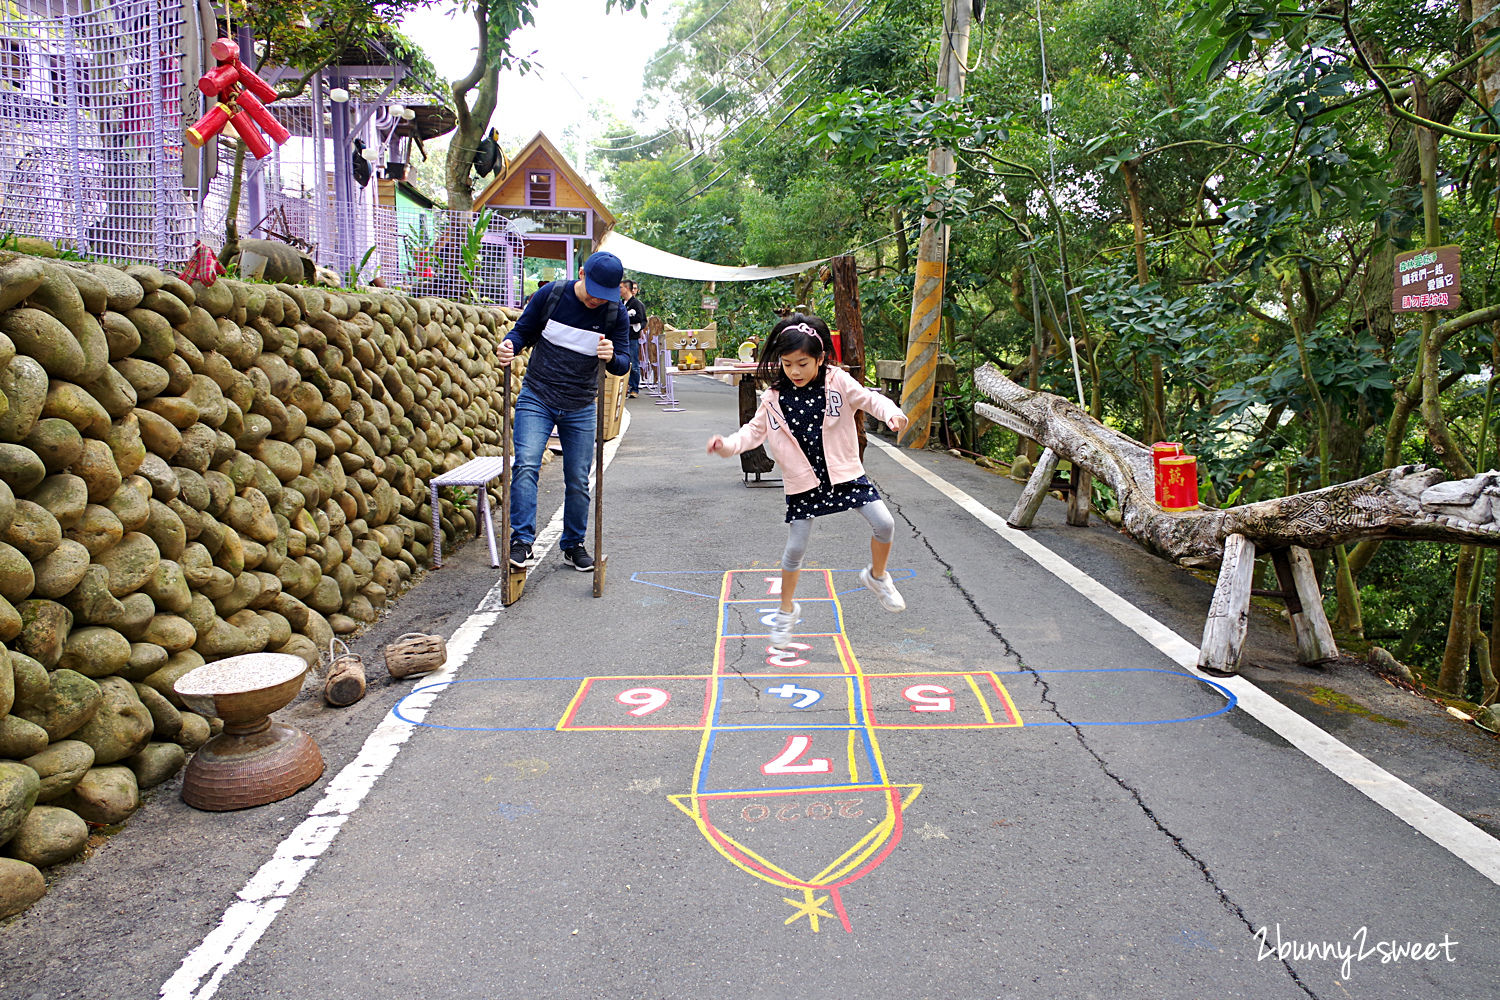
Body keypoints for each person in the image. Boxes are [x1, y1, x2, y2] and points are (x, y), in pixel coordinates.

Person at [705, 313, 910, 644]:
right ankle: (786, 611)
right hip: (804, 482)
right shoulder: (773, 397)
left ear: (821, 358)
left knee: (885, 524)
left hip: (844, 473)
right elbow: (752, 433)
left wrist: (892, 414)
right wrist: (726, 446)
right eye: (787, 364)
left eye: (802, 363)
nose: (795, 371)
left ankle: (878, 576)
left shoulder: (838, 381)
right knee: (795, 549)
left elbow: (869, 399)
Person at [497, 251, 630, 572]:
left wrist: (611, 355)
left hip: (582, 403)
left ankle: (573, 545)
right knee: (526, 464)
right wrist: (509, 345)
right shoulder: (552, 294)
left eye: (606, 295)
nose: (599, 301)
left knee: (577, 478)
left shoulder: (616, 313)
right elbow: (523, 331)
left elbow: (625, 362)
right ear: (582, 274)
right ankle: (522, 541)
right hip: (538, 395)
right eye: (595, 292)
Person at [621, 280, 647, 397]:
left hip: (632, 337)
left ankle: (634, 388)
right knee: (623, 362)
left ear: (626, 288)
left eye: (620, 287)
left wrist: (626, 320)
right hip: (622, 336)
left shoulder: (636, 304)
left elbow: (641, 319)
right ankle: (625, 386)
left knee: (634, 363)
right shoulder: (621, 303)